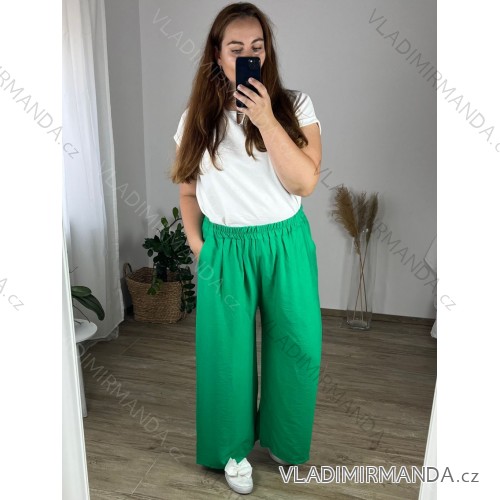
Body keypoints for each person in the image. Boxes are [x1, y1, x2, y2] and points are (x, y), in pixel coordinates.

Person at [170, 2, 323, 495]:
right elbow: (188, 191)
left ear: (267, 52)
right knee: (226, 355)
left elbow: (303, 183)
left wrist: (265, 118)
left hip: (285, 243)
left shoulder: (296, 106)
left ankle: (285, 439)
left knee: (298, 345)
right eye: (235, 49)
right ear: (217, 55)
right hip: (225, 250)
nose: (247, 56)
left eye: (256, 47)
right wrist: (200, 247)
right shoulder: (197, 119)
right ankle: (231, 451)